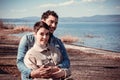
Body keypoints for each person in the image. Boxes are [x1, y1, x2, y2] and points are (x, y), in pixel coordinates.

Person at [17, 10, 70, 79]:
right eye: (51, 22)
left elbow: (66, 61)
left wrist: (58, 68)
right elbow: (20, 62)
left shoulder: (58, 42)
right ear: (43, 21)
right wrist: (31, 73)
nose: (54, 25)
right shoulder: (27, 39)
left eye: (56, 23)